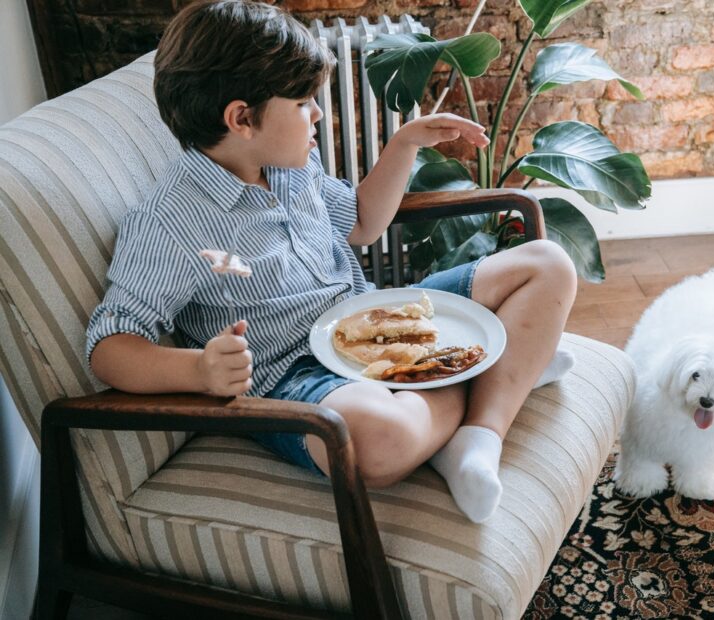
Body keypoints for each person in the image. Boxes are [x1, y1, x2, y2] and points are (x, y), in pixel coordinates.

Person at [86, 0, 577, 523]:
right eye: (302, 104)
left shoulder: (292, 166)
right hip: (298, 379)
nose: (317, 114)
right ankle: (500, 381)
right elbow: (110, 346)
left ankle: (476, 437)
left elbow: (363, 221)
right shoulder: (169, 222)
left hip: (377, 320)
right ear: (241, 118)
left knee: (548, 264)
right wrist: (201, 369)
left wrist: (405, 144)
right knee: (380, 441)